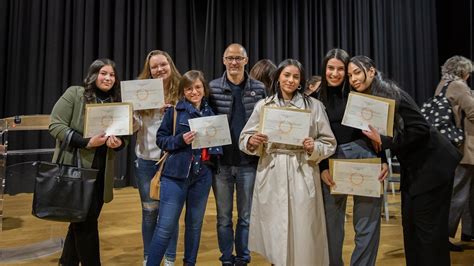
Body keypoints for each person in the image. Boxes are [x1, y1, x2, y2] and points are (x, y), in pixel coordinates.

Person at [347, 55, 462, 265]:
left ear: (371, 71)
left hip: (433, 166)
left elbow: (421, 129)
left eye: (357, 72)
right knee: (410, 228)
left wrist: (384, 140)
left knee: (428, 233)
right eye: (350, 75)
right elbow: (379, 139)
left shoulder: (393, 94)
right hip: (415, 170)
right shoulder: (371, 100)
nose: (353, 79)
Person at [239, 59, 337, 266]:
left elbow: (329, 142)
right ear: (278, 77)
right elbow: (244, 138)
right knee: (276, 227)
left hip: (302, 169)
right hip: (272, 168)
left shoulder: (314, 107)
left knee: (303, 227)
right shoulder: (264, 105)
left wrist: (314, 147)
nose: (290, 80)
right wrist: (252, 141)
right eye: (286, 75)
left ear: (301, 81)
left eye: (295, 76)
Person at [49, 58, 128, 265]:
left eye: (112, 75)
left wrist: (117, 143)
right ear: (93, 75)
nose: (108, 78)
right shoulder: (75, 94)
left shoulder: (117, 102)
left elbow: (124, 138)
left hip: (101, 174)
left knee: (79, 222)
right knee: (85, 224)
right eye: (103, 73)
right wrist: (86, 142)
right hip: (76, 170)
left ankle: (66, 263)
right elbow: (55, 125)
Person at [314, 48, 388, 266]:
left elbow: (376, 132)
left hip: (366, 158)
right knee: (331, 225)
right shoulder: (314, 99)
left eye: (341, 69)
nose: (335, 73)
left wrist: (383, 159)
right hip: (331, 162)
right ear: (324, 69)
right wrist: (323, 167)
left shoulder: (361, 94)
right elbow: (316, 137)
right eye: (330, 68)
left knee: (367, 224)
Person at [147, 70, 222, 266]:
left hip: (202, 176)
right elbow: (161, 140)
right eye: (189, 88)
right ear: (183, 91)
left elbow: (216, 145)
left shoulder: (211, 113)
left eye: (198, 87)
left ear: (204, 89)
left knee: (194, 227)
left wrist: (216, 146)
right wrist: (180, 140)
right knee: (165, 227)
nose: (194, 92)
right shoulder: (173, 112)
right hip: (175, 176)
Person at [208, 43, 266, 266]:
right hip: (221, 164)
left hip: (248, 164)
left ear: (246, 60)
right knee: (223, 218)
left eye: (238, 58)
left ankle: (243, 259)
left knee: (245, 217)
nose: (233, 62)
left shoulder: (259, 89)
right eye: (229, 58)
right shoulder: (212, 88)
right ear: (223, 60)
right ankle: (226, 259)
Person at [133, 50, 181, 265]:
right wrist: (135, 111)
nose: (160, 69)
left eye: (163, 65)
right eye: (155, 67)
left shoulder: (181, 90)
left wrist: (174, 112)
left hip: (173, 159)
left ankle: (170, 259)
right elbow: (132, 126)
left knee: (170, 214)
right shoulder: (139, 91)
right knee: (150, 212)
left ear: (170, 65)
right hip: (146, 159)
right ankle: (148, 258)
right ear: (149, 71)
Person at [433, 56, 474, 251]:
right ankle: (443, 236)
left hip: (453, 145)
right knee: (458, 192)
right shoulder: (458, 85)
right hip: (464, 146)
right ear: (463, 72)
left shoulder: (443, 83)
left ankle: (469, 230)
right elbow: (473, 111)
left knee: (467, 191)